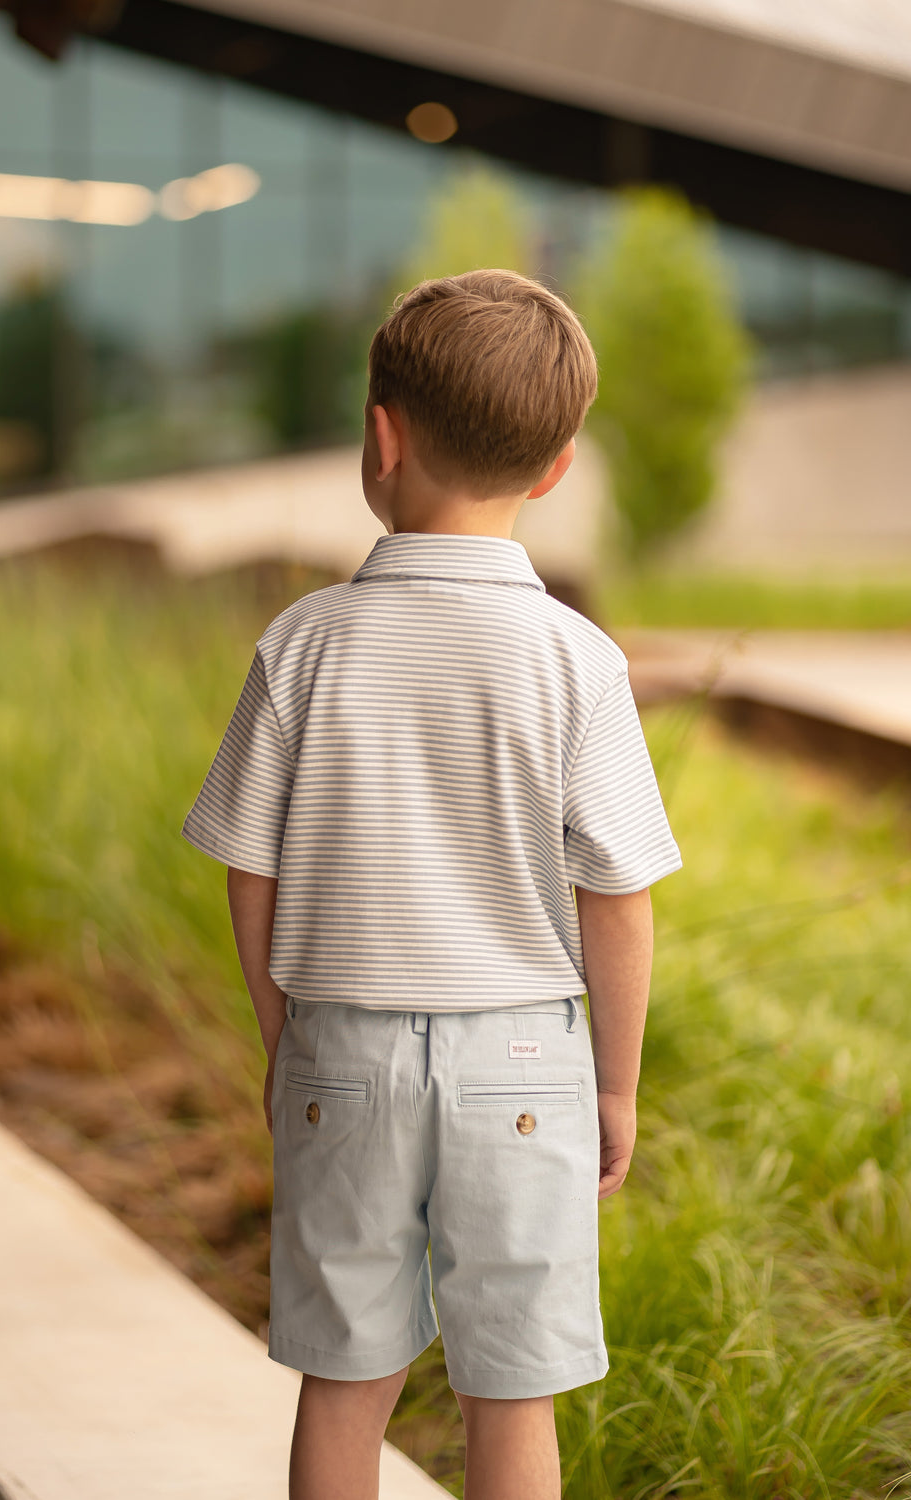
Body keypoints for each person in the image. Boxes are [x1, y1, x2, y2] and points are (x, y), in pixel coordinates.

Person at [181, 269, 682, 1500]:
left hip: (339, 1048)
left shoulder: (304, 641)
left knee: (344, 1385)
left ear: (380, 437)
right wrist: (613, 1081)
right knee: (512, 1393)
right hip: (524, 1065)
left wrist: (283, 1029)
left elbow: (253, 864)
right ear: (557, 466)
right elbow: (616, 895)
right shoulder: (579, 659)